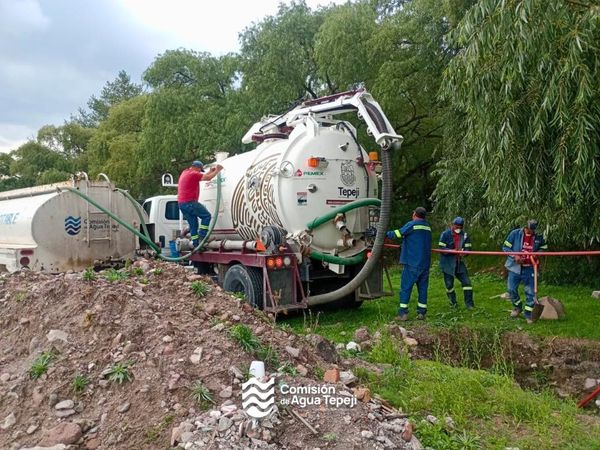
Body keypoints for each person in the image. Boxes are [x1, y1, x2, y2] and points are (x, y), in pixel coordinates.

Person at [386, 207, 432, 321]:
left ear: (414, 214)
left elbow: (397, 234)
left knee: (406, 288)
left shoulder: (412, 225)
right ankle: (421, 313)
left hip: (412, 263)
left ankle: (403, 314)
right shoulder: (427, 227)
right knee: (423, 289)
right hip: (425, 264)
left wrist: (381, 232)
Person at [502, 219, 547, 324]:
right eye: (529, 230)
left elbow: (544, 248)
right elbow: (505, 247)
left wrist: (538, 254)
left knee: (530, 293)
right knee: (511, 289)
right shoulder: (515, 234)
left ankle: (528, 315)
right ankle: (517, 307)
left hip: (530, 268)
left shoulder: (539, 236)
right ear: (525, 227)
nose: (531, 232)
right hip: (515, 267)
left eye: (533, 230)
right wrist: (515, 256)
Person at [177, 160, 223, 247]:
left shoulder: (185, 172)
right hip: (190, 202)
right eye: (199, 170)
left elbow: (204, 176)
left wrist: (210, 171)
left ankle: (196, 244)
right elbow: (208, 178)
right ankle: (202, 237)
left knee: (193, 225)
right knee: (206, 216)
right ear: (197, 168)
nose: (199, 172)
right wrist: (217, 170)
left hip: (182, 204)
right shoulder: (194, 174)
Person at [438, 217, 474, 309]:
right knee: (449, 285)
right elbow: (441, 248)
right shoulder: (445, 234)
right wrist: (452, 251)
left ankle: (469, 304)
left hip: (459, 263)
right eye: (456, 226)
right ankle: (453, 303)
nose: (458, 228)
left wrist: (465, 253)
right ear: (452, 225)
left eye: (460, 226)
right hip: (447, 263)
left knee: (467, 283)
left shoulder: (465, 235)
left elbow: (468, 248)